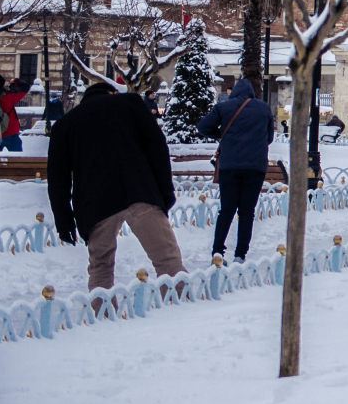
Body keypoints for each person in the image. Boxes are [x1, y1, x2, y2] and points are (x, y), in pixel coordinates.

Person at [47, 78, 186, 293]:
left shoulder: (64, 125)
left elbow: (58, 179)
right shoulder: (130, 103)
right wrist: (165, 193)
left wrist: (64, 223)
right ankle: (182, 308)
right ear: (112, 93)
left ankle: (102, 316)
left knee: (100, 267)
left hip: (95, 205)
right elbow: (157, 146)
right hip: (138, 192)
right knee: (168, 261)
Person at [198, 77, 270, 261]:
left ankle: (217, 250)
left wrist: (223, 135)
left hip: (230, 166)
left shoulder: (223, 107)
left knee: (226, 210)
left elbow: (203, 127)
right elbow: (269, 137)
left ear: (235, 92)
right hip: (255, 166)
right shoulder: (264, 108)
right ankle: (240, 254)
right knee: (247, 212)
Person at [0, 78, 30, 153]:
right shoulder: (9, 96)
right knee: (17, 158)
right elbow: (25, 86)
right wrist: (15, 80)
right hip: (10, 132)